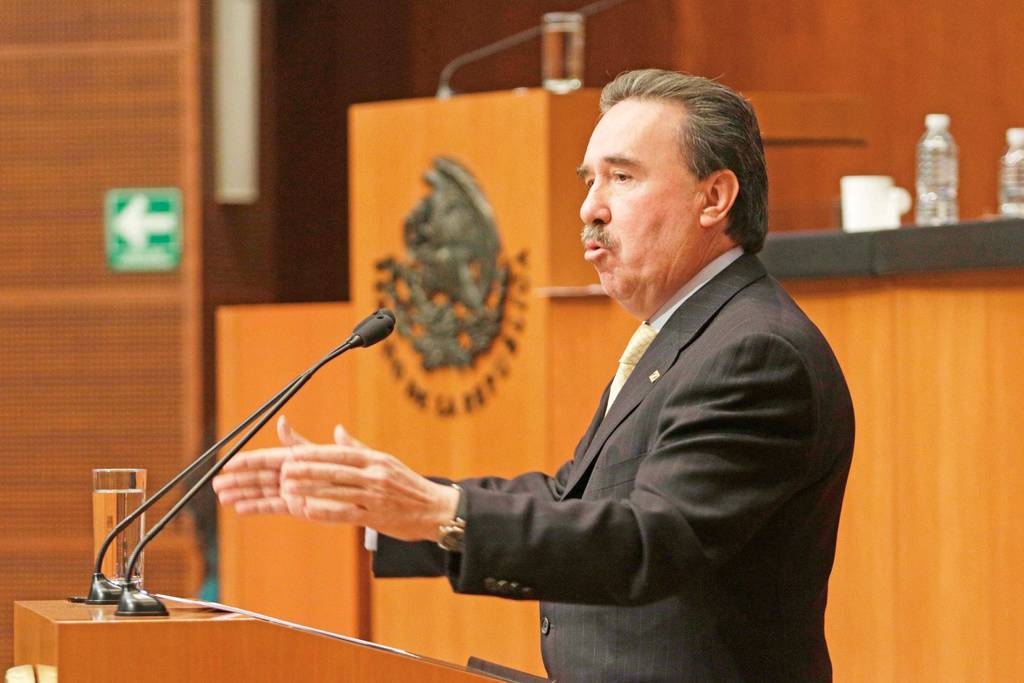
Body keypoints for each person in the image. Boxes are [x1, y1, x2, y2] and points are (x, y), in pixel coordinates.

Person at [214, 69, 855, 683]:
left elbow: (648, 542)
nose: (590, 207)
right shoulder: (690, 335)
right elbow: (573, 501)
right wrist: (395, 506)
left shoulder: (754, 352)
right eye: (589, 181)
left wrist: (439, 511)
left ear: (713, 198)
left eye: (622, 177)